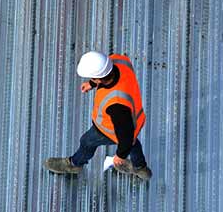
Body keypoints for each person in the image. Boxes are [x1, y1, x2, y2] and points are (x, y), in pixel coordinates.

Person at [43, 51, 152, 180]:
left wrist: (120, 156)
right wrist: (92, 84)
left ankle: (74, 164)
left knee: (87, 142)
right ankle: (141, 168)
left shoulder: (116, 105)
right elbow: (106, 74)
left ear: (99, 78)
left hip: (107, 130)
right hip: (136, 118)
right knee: (133, 142)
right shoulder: (120, 60)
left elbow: (126, 136)